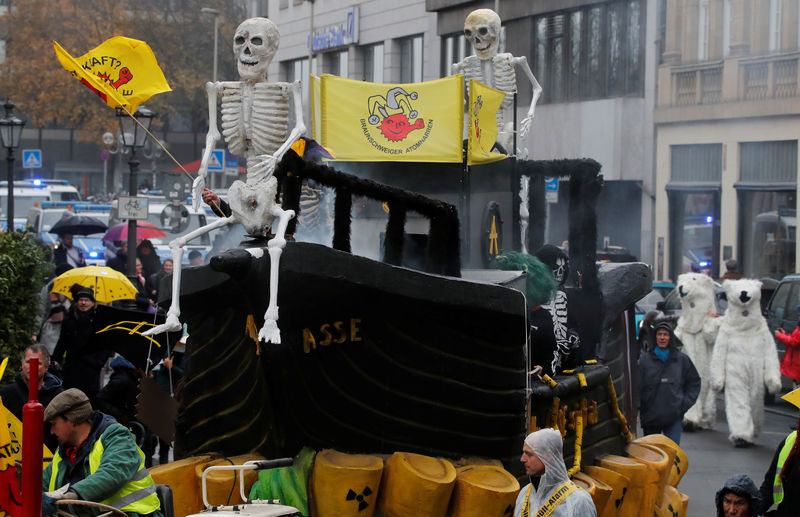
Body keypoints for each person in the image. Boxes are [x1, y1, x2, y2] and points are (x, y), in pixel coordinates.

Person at [41, 388, 162, 517]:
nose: (52, 431)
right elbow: (43, 482)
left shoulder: (117, 437)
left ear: (72, 418)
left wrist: (71, 494)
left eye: (54, 424)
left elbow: (113, 473)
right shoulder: (65, 451)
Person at [637, 322, 701, 444]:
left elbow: (694, 382)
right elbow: (636, 387)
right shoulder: (644, 361)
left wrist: (683, 405)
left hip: (674, 416)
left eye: (665, 335)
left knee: (672, 455)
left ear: (670, 337)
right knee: (653, 457)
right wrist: (636, 409)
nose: (662, 337)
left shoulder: (681, 360)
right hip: (651, 417)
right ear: (655, 337)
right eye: (659, 334)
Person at [515, 428, 596, 517]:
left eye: (529, 454)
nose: (522, 459)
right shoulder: (524, 494)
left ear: (548, 456)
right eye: (523, 453)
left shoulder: (578, 501)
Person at [53, 288, 112, 402]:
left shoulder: (99, 322)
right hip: (71, 367)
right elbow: (62, 342)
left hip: (90, 370)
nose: (84, 303)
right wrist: (56, 360)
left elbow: (107, 345)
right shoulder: (69, 320)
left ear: (93, 303)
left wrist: (98, 363)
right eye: (81, 300)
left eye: (87, 300)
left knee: (89, 401)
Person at [0, 345, 63, 451]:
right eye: (28, 362)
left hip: (47, 460)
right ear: (22, 364)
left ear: (46, 367)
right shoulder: (6, 394)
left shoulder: (58, 396)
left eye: (38, 363)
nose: (31, 366)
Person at [774, 308, 800, 391]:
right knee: (796, 387)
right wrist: (785, 335)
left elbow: (795, 342)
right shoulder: (798, 326)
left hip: (797, 363)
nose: (798, 316)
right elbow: (795, 339)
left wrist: (780, 336)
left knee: (797, 389)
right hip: (796, 363)